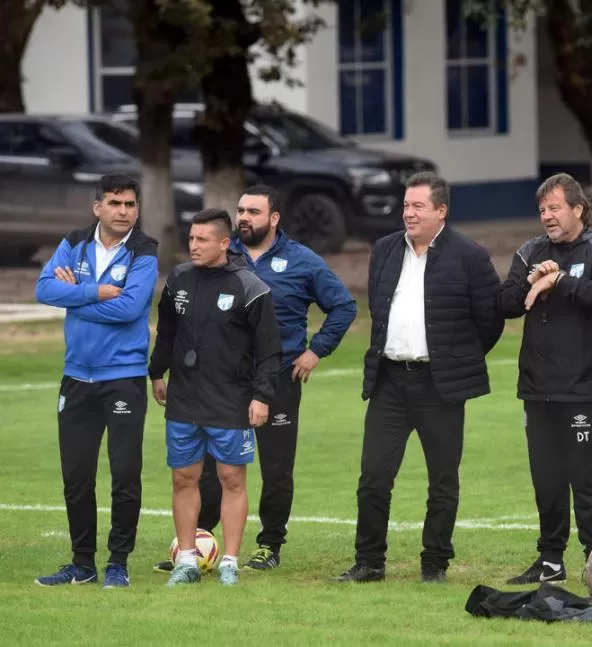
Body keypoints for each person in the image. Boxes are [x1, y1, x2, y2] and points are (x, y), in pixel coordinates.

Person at [153, 184, 357, 573]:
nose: (245, 217)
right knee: (213, 465)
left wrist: (315, 351)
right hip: (224, 383)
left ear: (274, 218)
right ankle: (199, 543)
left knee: (276, 467)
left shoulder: (303, 261)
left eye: (254, 212)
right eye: (241, 211)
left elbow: (344, 306)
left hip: (278, 379)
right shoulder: (222, 257)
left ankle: (269, 545)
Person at [335, 171, 504, 584]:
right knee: (374, 476)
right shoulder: (385, 250)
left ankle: (435, 564)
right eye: (406, 205)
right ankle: (369, 562)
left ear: (441, 211)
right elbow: (378, 307)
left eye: (418, 206)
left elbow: (490, 320)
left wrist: (455, 357)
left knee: (442, 480)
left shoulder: (469, 255)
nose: (408, 213)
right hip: (389, 380)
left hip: (439, 385)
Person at [498, 173, 592, 585]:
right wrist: (534, 280)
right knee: (547, 478)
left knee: (585, 478)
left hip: (583, 388)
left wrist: (561, 280)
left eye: (554, 208)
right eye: (542, 210)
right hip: (538, 388)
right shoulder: (531, 250)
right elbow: (507, 304)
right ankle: (550, 559)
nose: (547, 217)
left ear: (578, 209)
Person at [34, 174, 158, 589]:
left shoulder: (144, 251)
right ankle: (82, 564)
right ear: (97, 207)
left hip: (122, 379)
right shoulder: (74, 242)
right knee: (76, 476)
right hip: (76, 380)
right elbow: (43, 288)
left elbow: (129, 308)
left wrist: (76, 297)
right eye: (115, 203)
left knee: (125, 474)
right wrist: (95, 291)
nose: (124, 211)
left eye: (130, 204)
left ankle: (118, 563)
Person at [148, 208, 281, 587]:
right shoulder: (178, 279)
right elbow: (167, 334)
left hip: (231, 399)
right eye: (191, 239)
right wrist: (157, 372)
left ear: (224, 243)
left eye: (202, 240)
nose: (193, 246)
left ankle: (230, 562)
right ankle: (187, 560)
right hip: (184, 398)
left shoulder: (249, 286)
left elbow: (269, 351)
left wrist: (261, 396)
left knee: (231, 478)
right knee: (183, 476)